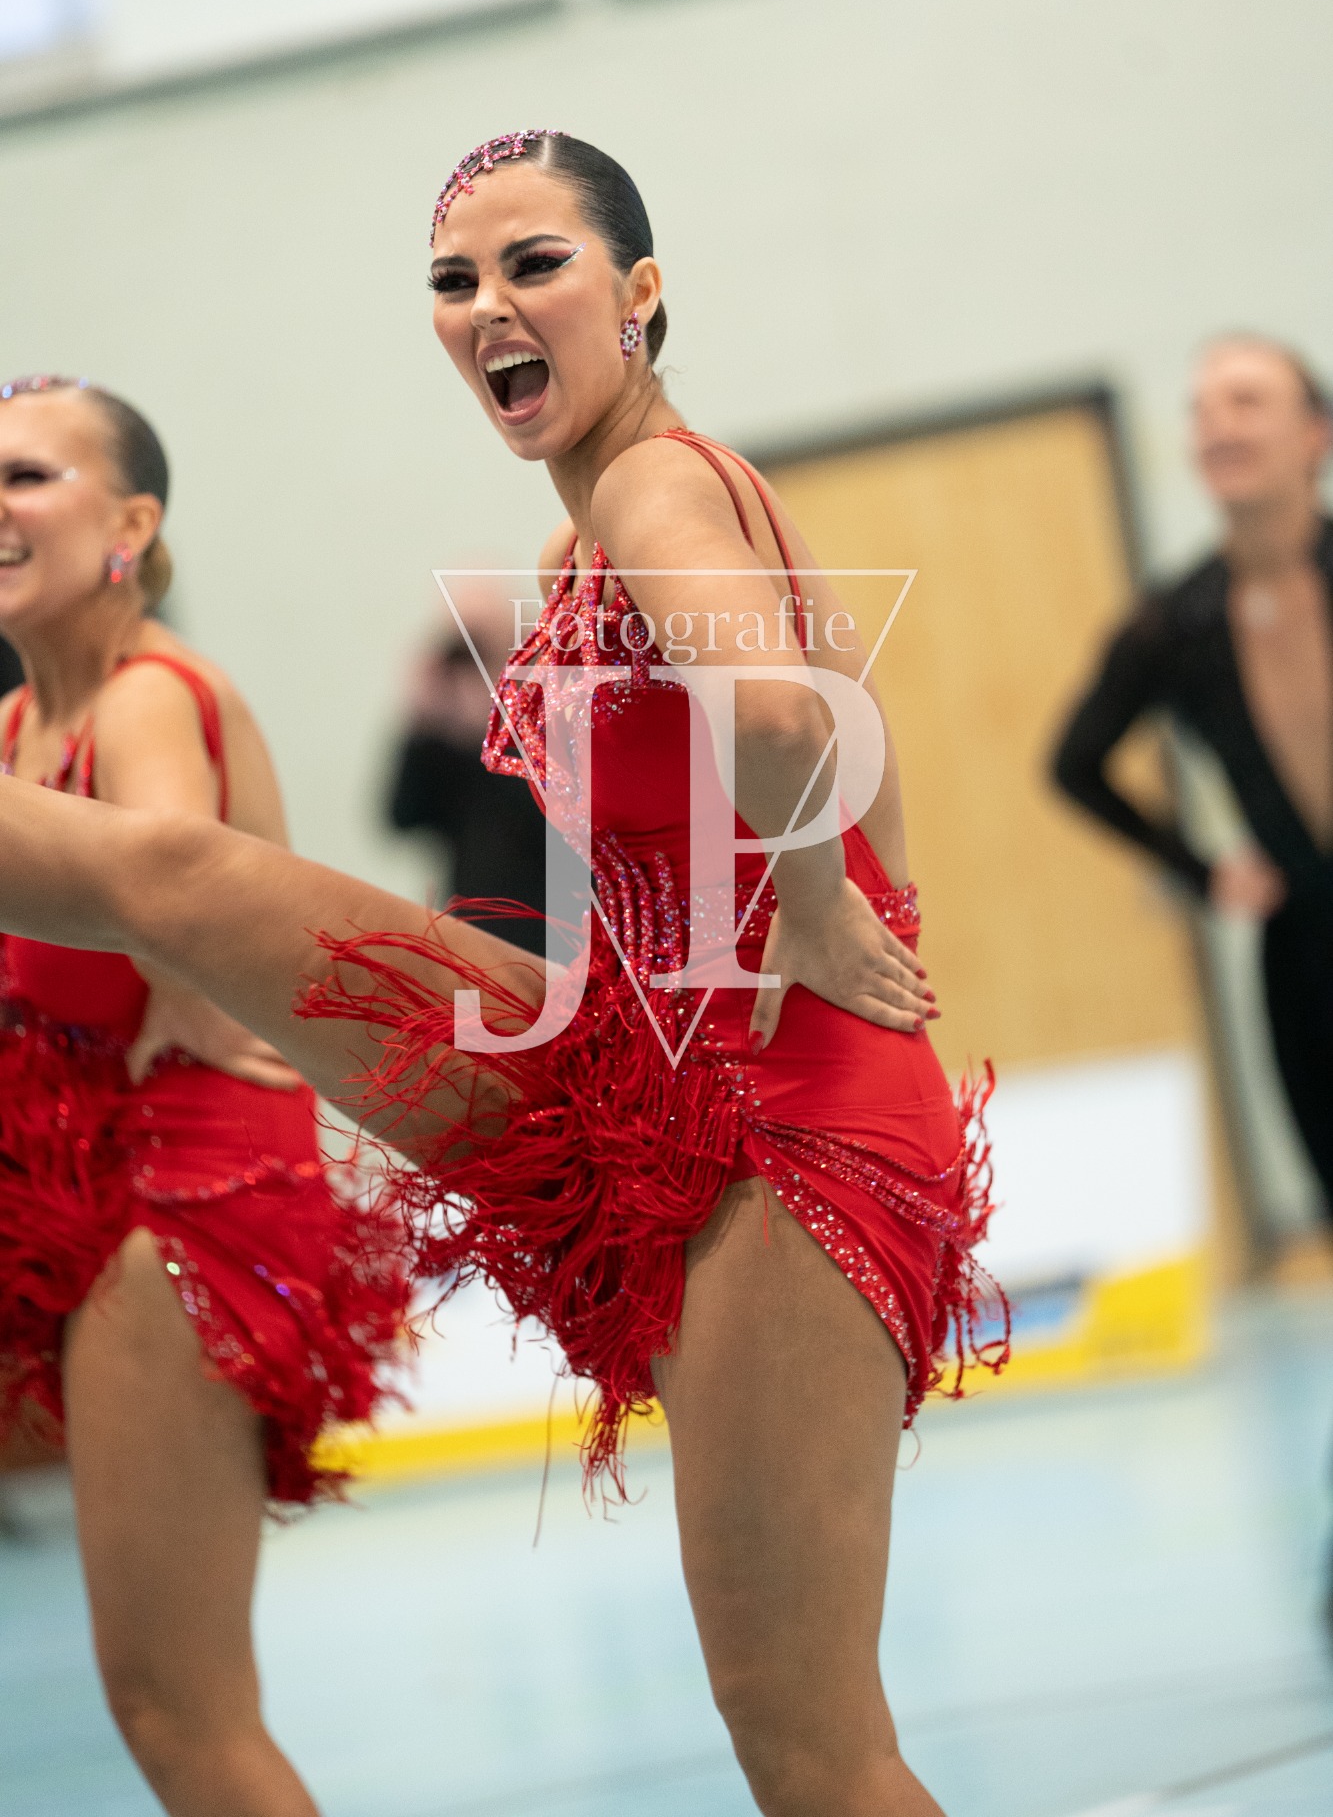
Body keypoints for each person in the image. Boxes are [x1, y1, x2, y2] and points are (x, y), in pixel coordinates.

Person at [0, 137, 1006, 1817]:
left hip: (788, 1115)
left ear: (640, 293)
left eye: (533, 265)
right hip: (647, 1070)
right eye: (453, 281)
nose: (486, 307)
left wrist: (820, 899)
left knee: (808, 1742)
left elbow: (777, 714)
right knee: (176, 885)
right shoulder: (583, 537)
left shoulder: (656, 490)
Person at [0, 376, 409, 1817]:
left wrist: (197, 979)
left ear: (130, 525)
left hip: (183, 1194)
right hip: (81, 1183)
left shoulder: (149, 697)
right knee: (164, 1707)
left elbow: (170, 877)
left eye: (27, 476)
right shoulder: (18, 727)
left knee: (180, 1708)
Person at [1052, 335, 1333, 1216]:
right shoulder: (1176, 622)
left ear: (1314, 434)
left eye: (1245, 400)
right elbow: (1074, 764)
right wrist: (1201, 871)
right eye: (1201, 408)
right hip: (1306, 949)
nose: (1217, 423)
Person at [386, 589, 548, 956]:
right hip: (470, 949)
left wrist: (498, 727)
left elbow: (544, 826)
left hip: (547, 951)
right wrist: (421, 722)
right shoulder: (450, 742)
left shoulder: (552, 726)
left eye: (479, 645)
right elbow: (400, 818)